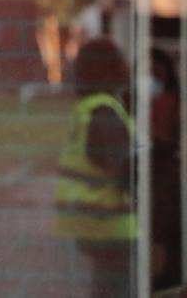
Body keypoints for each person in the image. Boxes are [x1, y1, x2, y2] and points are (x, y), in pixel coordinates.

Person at [52, 37, 136, 298]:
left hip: (89, 220)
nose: (128, 68)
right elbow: (122, 168)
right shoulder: (105, 112)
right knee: (116, 288)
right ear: (109, 70)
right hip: (110, 223)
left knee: (105, 285)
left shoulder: (87, 109)